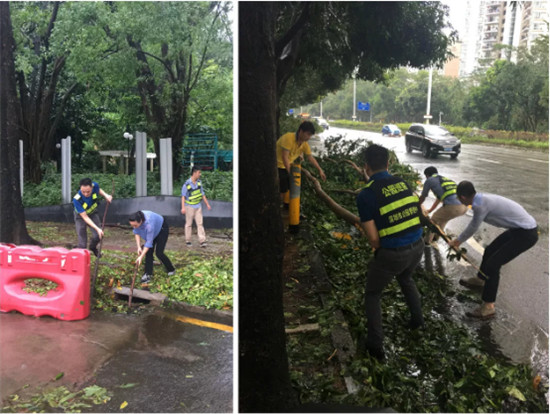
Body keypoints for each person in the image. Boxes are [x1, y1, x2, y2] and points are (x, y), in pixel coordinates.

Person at [355, 144, 424, 360]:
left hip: (393, 253)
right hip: (418, 246)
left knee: (373, 294)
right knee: (406, 278)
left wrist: (379, 249)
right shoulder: (403, 183)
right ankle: (417, 320)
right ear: (388, 164)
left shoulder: (365, 195)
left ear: (365, 167)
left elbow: (374, 239)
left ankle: (375, 346)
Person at [450, 181, 538, 319]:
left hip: (526, 234)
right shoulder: (480, 198)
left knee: (493, 265)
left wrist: (457, 241)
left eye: (458, 198)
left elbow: (473, 227)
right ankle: (480, 280)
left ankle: (488, 307)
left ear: (462, 197)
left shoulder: (480, 205)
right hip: (519, 229)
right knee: (490, 250)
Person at [276, 121, 326, 201]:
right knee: (283, 188)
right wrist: (290, 172)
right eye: (308, 134)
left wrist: (320, 170)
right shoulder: (288, 138)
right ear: (301, 131)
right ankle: (278, 206)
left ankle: (287, 205)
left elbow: (310, 158)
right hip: (278, 165)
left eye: (310, 135)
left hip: (288, 165)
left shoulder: (304, 144)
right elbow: (284, 157)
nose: (309, 137)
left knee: (292, 187)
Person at [418, 166, 468, 244]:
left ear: (427, 175)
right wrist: (430, 210)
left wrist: (416, 205)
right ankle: (435, 238)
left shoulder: (429, 180)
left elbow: (423, 197)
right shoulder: (444, 180)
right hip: (464, 207)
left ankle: (427, 241)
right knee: (443, 219)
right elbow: (439, 199)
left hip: (453, 207)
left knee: (433, 219)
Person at [129, 210, 176, 285]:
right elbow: (136, 232)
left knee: (159, 253)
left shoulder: (149, 225)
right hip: (153, 228)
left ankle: (171, 269)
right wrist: (138, 247)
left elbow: (148, 243)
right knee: (149, 252)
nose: (134, 227)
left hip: (161, 228)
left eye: (135, 225)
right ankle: (148, 274)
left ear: (140, 221)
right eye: (132, 225)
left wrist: (141, 257)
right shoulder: (137, 219)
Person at [72, 178, 113, 257]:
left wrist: (106, 195)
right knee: (82, 243)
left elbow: (99, 190)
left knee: (98, 235)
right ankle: (80, 257)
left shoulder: (95, 186)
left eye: (88, 191)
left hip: (92, 213)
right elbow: (85, 217)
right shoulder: (76, 200)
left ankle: (93, 247)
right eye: (83, 192)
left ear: (91, 187)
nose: (86, 194)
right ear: (80, 188)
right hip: (81, 217)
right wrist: (97, 228)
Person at [181, 166, 211, 247]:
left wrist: (207, 204)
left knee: (200, 224)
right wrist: (183, 207)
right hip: (189, 206)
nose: (200, 174)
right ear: (194, 173)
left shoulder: (199, 183)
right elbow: (183, 196)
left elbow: (202, 194)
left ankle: (202, 241)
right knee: (189, 224)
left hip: (198, 206)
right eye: (199, 173)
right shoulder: (186, 184)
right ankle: (188, 240)